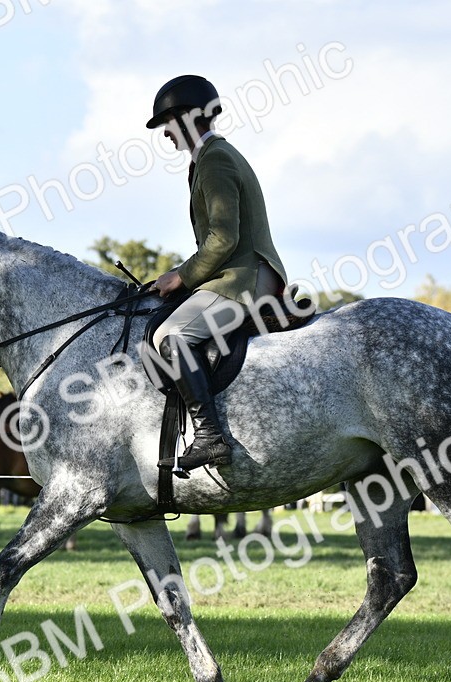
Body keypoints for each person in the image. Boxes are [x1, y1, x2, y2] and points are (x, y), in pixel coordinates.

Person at [145, 74, 288, 472]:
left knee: (170, 334)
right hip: (231, 274)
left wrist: (183, 277)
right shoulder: (208, 159)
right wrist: (177, 274)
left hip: (245, 278)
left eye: (168, 123)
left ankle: (209, 437)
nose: (166, 134)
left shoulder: (216, 159)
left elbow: (224, 238)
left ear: (190, 118)